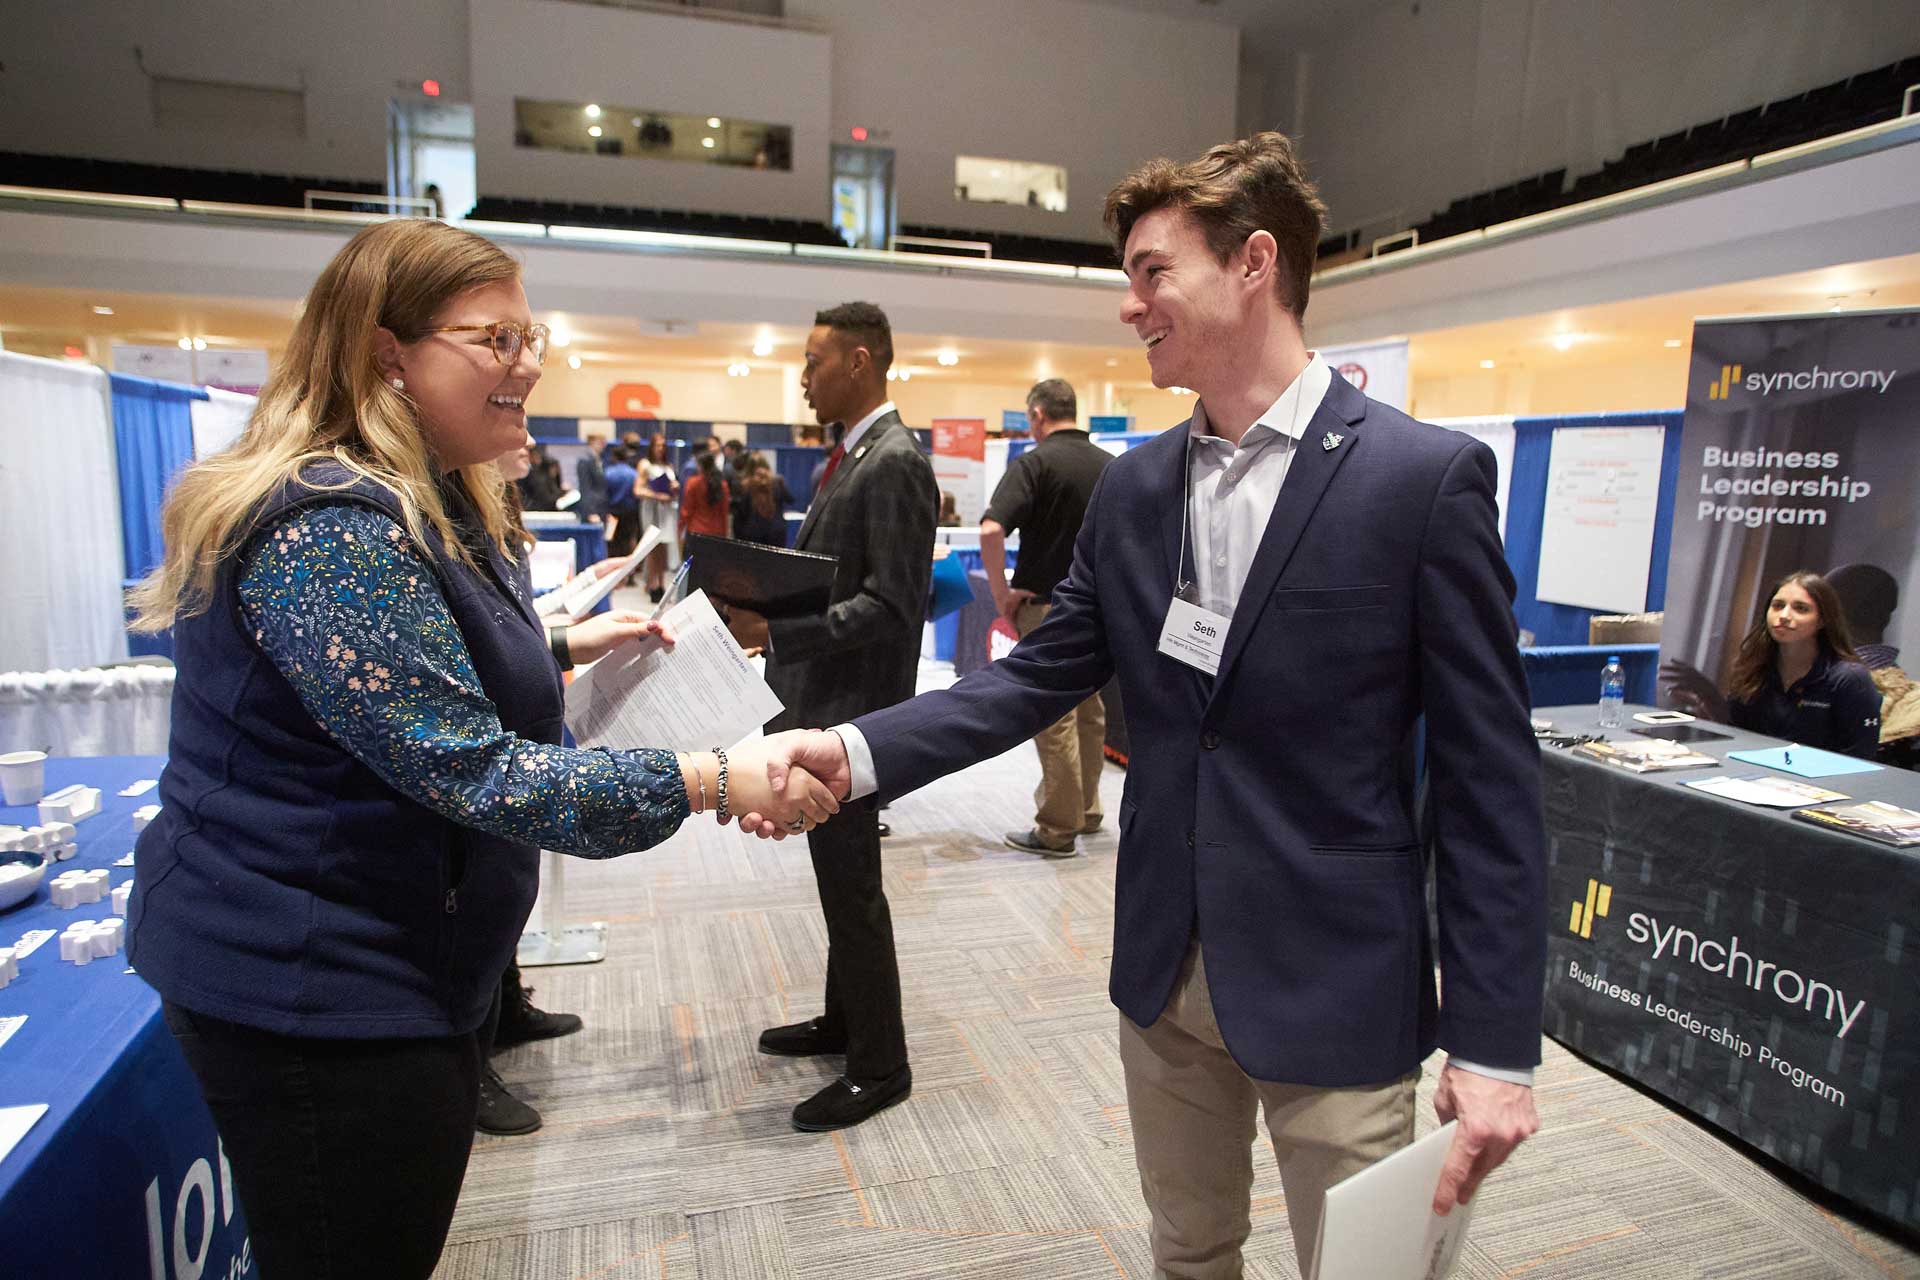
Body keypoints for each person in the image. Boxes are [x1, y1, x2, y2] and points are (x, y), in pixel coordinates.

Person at [742, 135, 1546, 1277]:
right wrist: (853, 750)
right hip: (1166, 973)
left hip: (1339, 981)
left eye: (1153, 270)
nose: (1131, 304)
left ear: (1255, 262)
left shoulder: (1421, 481)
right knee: (1187, 1250)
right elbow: (1031, 674)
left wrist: (1498, 1037)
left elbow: (1489, 780)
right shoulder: (1136, 486)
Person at [123, 219, 836, 1280]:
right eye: (494, 339)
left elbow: (405, 667)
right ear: (384, 353)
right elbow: (475, 768)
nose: (528, 363)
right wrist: (715, 777)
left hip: (401, 959)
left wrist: (554, 643)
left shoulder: (435, 497)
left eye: (531, 336)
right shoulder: (329, 529)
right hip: (318, 987)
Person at [723, 301, 937, 1133]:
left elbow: (891, 605)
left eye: (813, 362)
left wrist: (779, 627)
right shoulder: (858, 457)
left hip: (856, 713)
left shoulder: (892, 462)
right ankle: (844, 1022)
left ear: (858, 360)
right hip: (828, 704)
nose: (804, 378)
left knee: (854, 890)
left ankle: (881, 1063)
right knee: (840, 881)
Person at [979, 378, 1112, 857]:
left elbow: (992, 528)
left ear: (1037, 415)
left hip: (1048, 608)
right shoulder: (1110, 466)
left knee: (1052, 716)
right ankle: (1089, 810)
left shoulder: (1034, 464)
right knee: (1091, 711)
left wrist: (1001, 596)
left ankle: (1058, 829)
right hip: (1099, 608)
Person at [1666, 571, 1882, 758]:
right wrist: (1711, 707)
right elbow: (1736, 735)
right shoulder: (1754, 667)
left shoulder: (1849, 678)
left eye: (1801, 608)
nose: (1784, 616)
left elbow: (1860, 755)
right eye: (1777, 606)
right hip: (1753, 778)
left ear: (1823, 620)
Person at [638, 433, 679, 600]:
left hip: (667, 510)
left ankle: (661, 583)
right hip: (652, 509)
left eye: (663, 445)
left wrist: (674, 488)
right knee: (652, 546)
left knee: (664, 546)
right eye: (657, 445)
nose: (660, 449)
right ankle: (652, 584)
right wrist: (656, 495)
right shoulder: (645, 465)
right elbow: (638, 490)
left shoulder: (668, 465)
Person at [732, 453, 793, 547]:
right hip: (776, 532)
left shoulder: (744, 485)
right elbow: (790, 499)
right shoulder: (777, 481)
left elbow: (741, 513)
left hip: (752, 534)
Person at [680, 444, 731, 541]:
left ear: (700, 466)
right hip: (717, 531)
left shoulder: (693, 483)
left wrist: (680, 527)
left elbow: (687, 510)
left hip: (696, 530)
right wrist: (725, 532)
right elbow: (724, 511)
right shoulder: (722, 484)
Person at [603, 443, 640, 556]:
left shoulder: (608, 473)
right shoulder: (633, 474)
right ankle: (628, 568)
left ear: (614, 457)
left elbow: (605, 493)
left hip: (612, 512)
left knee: (611, 540)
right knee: (628, 540)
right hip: (630, 512)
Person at [574, 427, 609, 525]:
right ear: (591, 442)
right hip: (592, 509)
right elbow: (585, 488)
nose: (603, 444)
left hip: (601, 507)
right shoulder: (584, 460)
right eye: (600, 441)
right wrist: (590, 512)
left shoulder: (599, 459)